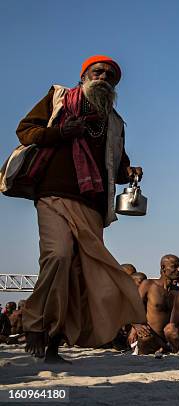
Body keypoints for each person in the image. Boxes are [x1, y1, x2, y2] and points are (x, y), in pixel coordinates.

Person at [16, 55, 145, 363]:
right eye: (97, 71)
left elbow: (115, 163)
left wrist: (129, 172)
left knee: (79, 274)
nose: (103, 77)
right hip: (53, 194)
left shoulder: (113, 122)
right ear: (84, 75)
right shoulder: (59, 98)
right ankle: (34, 323)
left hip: (91, 204)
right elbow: (26, 131)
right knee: (57, 255)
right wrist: (61, 133)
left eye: (109, 76)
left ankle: (54, 343)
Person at [129, 254, 179, 355]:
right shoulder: (148, 285)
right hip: (150, 336)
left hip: (170, 338)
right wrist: (136, 325)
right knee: (145, 337)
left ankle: (164, 347)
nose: (178, 270)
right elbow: (132, 307)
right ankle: (163, 348)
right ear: (163, 268)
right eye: (174, 267)